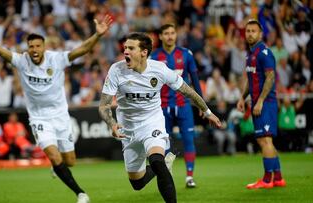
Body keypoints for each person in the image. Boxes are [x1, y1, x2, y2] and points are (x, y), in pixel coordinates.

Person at [0, 12, 112, 203]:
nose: (34, 49)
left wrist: (98, 35)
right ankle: (81, 193)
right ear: (27, 48)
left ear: (44, 47)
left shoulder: (56, 59)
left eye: (37, 46)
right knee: (52, 154)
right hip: (39, 118)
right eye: (31, 46)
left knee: (70, 162)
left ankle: (58, 167)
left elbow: (82, 49)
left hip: (60, 115)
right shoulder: (21, 60)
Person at [99, 32, 222, 203]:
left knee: (156, 161)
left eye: (131, 48)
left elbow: (187, 91)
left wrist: (207, 112)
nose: (125, 51)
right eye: (125, 47)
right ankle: (165, 162)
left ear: (144, 52)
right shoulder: (116, 70)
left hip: (152, 123)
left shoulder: (159, 70)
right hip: (127, 129)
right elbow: (104, 105)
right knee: (137, 183)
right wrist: (112, 123)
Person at [150, 23, 203, 187]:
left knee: (188, 139)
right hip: (162, 108)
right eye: (166, 33)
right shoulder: (153, 57)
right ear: (160, 36)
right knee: (162, 143)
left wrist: (201, 103)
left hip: (183, 105)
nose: (170, 36)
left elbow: (194, 79)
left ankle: (189, 177)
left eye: (172, 33)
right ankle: (167, 175)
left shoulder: (186, 54)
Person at [237, 19, 286, 189]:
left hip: (266, 103)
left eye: (253, 31)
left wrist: (260, 102)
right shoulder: (250, 54)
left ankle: (266, 180)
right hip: (258, 103)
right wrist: (242, 98)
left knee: (265, 141)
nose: (250, 34)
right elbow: (251, 80)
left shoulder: (264, 53)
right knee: (265, 141)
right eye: (247, 31)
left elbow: (271, 78)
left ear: (260, 33)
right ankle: (278, 177)